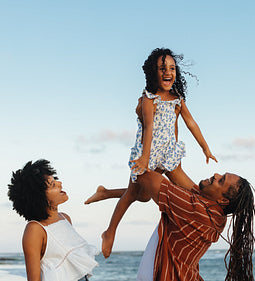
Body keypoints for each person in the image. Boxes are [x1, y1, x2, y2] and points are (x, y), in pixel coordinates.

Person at [85, 48, 217, 258]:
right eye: (162, 68)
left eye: (172, 68)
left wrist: (205, 146)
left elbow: (190, 122)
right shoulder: (148, 99)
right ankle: (109, 232)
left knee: (189, 191)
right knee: (135, 195)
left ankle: (105, 192)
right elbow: (148, 127)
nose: (168, 71)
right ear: (152, 72)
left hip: (169, 155)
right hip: (148, 152)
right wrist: (145, 157)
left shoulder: (177, 98)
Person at [135, 169, 255, 281]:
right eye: (222, 175)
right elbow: (174, 171)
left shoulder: (198, 211)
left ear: (223, 201)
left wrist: (147, 146)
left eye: (221, 181)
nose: (216, 175)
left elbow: (142, 174)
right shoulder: (214, 211)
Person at [7, 159, 99, 281]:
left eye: (55, 180)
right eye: (52, 185)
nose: (59, 183)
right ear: (39, 198)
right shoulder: (35, 230)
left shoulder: (65, 218)